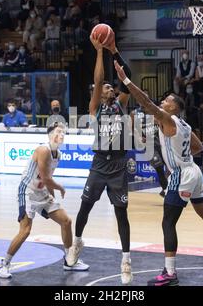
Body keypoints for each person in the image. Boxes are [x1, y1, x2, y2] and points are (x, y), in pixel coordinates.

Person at [114, 62, 203, 286]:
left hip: (181, 175)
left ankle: (170, 273)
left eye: (167, 101)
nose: (163, 102)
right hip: (194, 172)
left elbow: (145, 100)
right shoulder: (184, 124)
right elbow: (199, 148)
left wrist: (125, 80)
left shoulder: (168, 119)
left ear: (173, 108)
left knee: (167, 223)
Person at [67, 35, 133, 284]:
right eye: (104, 86)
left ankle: (126, 259)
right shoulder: (95, 107)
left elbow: (127, 77)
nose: (107, 87)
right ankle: (76, 243)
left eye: (109, 86)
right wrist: (98, 52)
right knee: (85, 207)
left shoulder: (122, 104)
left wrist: (114, 51)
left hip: (117, 166)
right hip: (99, 165)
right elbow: (96, 81)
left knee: (121, 214)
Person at [0, 122, 89, 278]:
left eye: (63, 133)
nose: (61, 135)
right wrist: (60, 188)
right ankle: (3, 265)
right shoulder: (43, 150)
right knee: (25, 230)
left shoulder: (57, 154)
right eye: (58, 132)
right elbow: (46, 179)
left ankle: (69, 260)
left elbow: (48, 177)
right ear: (50, 135)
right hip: (27, 191)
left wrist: (52, 194)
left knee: (66, 221)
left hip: (42, 192)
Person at [132, 104, 168, 197]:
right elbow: (131, 128)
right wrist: (139, 136)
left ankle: (167, 188)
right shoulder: (135, 113)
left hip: (162, 143)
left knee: (169, 166)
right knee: (159, 168)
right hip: (149, 146)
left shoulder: (156, 111)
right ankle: (166, 190)